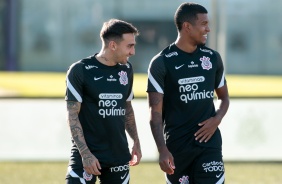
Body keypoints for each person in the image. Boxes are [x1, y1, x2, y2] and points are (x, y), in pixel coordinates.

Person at [147, 2, 229, 184]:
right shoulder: (161, 63)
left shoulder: (212, 58)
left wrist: (216, 119)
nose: (208, 29)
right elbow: (155, 113)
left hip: (210, 143)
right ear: (187, 26)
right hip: (177, 147)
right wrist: (162, 150)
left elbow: (224, 98)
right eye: (204, 24)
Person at [65, 19, 142, 184]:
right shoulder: (80, 70)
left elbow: (127, 108)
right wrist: (86, 154)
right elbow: (72, 115)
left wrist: (136, 141)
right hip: (86, 156)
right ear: (113, 45)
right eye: (129, 46)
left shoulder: (126, 70)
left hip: (118, 156)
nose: (133, 52)